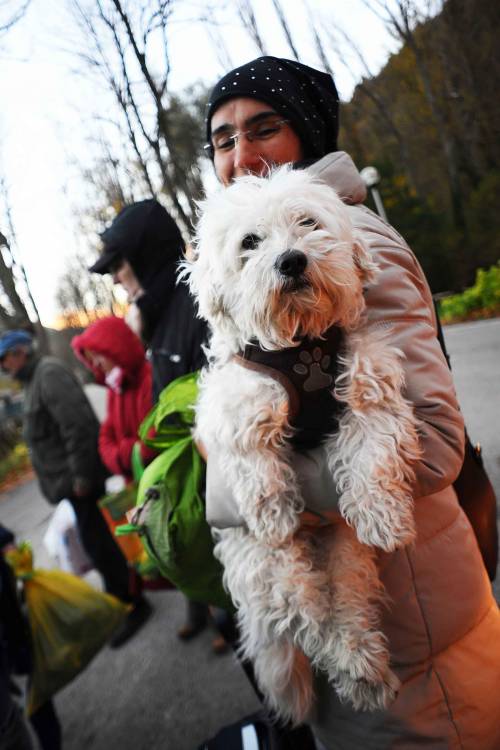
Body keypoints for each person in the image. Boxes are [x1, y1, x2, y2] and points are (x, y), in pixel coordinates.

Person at [202, 57, 500, 750]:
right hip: (378, 630)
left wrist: (237, 489)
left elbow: (432, 444)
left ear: (304, 132)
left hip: (416, 631)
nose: (241, 155)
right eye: (222, 140)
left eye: (263, 128)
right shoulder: (251, 256)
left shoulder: (352, 242)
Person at [88, 200, 227, 651]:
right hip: (208, 512)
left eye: (118, 264)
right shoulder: (159, 316)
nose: (113, 277)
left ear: (144, 256)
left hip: (232, 507)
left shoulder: (198, 302)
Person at [0, 330, 151, 649]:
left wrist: (82, 478)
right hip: (71, 483)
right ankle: (123, 597)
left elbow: (78, 426)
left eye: (5, 357)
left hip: (80, 481)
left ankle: (131, 602)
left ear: (20, 352)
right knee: (96, 540)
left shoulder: (48, 374)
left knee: (99, 542)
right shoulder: (32, 383)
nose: (3, 366)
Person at [71, 315, 155, 483]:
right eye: (90, 359)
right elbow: (105, 439)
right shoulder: (115, 390)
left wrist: (124, 452)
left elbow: (155, 438)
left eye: (97, 355)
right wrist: (128, 454)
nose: (95, 364)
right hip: (141, 485)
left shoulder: (150, 378)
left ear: (116, 349)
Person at [0, 524, 61, 750]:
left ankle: (51, 743)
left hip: (12, 633)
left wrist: (10, 549)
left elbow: (5, 540)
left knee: (34, 696)